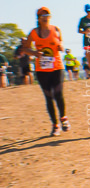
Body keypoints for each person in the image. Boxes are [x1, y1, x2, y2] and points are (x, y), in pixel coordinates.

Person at [23, 8, 68, 136]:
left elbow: (61, 43)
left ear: (50, 16)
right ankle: (55, 125)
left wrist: (61, 46)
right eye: (42, 15)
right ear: (38, 18)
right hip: (42, 70)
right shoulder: (33, 33)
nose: (45, 17)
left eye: (47, 15)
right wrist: (34, 53)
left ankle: (64, 118)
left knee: (58, 94)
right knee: (48, 97)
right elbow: (25, 48)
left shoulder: (56, 30)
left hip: (57, 67)